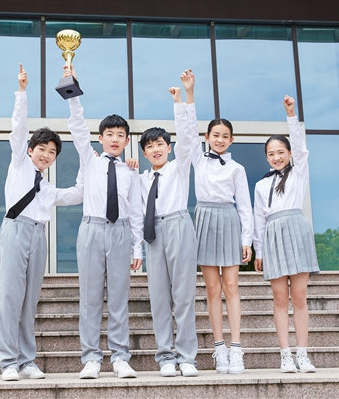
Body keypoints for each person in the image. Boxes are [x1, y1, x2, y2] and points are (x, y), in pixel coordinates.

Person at [0, 64, 83, 381]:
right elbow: (18, 129)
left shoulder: (47, 189)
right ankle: (8, 361)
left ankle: (26, 360)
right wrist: (22, 92)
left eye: (52, 152)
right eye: (42, 149)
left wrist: (87, 164)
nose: (46, 155)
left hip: (38, 237)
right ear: (31, 150)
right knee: (10, 298)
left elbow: (76, 194)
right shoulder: (19, 163)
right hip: (14, 231)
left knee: (29, 301)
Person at [65, 64, 143, 380]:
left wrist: (138, 247)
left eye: (120, 135)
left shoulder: (130, 171)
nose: (114, 139)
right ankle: (91, 358)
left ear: (126, 140)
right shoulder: (90, 160)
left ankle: (120, 357)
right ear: (100, 138)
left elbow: (135, 212)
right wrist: (72, 88)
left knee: (119, 298)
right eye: (109, 134)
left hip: (121, 232)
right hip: (92, 229)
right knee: (91, 298)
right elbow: (77, 126)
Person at [136, 69, 199, 377]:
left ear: (169, 147)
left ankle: (187, 356)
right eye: (150, 146)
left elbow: (188, 136)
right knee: (159, 297)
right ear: (145, 152)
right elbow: (136, 215)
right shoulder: (141, 179)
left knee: (183, 295)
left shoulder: (179, 167)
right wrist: (137, 249)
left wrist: (183, 100)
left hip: (178, 225)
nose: (156, 149)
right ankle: (165, 357)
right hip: (153, 233)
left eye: (160, 144)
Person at [254, 95, 319, 373]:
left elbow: (301, 145)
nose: (276, 157)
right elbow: (259, 219)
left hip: (296, 229)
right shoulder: (261, 185)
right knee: (280, 298)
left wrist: (291, 114)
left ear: (289, 153)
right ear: (266, 157)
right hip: (273, 235)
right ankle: (285, 355)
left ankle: (303, 353)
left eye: (281, 152)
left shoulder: (298, 172)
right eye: (271, 153)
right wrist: (258, 250)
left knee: (299, 296)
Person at [191, 106, 253, 374]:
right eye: (215, 135)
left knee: (231, 286)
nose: (220, 139)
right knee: (212, 288)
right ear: (207, 137)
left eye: (225, 136)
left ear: (231, 140)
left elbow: (245, 206)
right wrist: (187, 97)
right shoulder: (198, 159)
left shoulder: (237, 168)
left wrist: (247, 239)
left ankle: (236, 348)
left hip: (229, 219)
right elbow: (187, 127)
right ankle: (219, 348)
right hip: (204, 217)